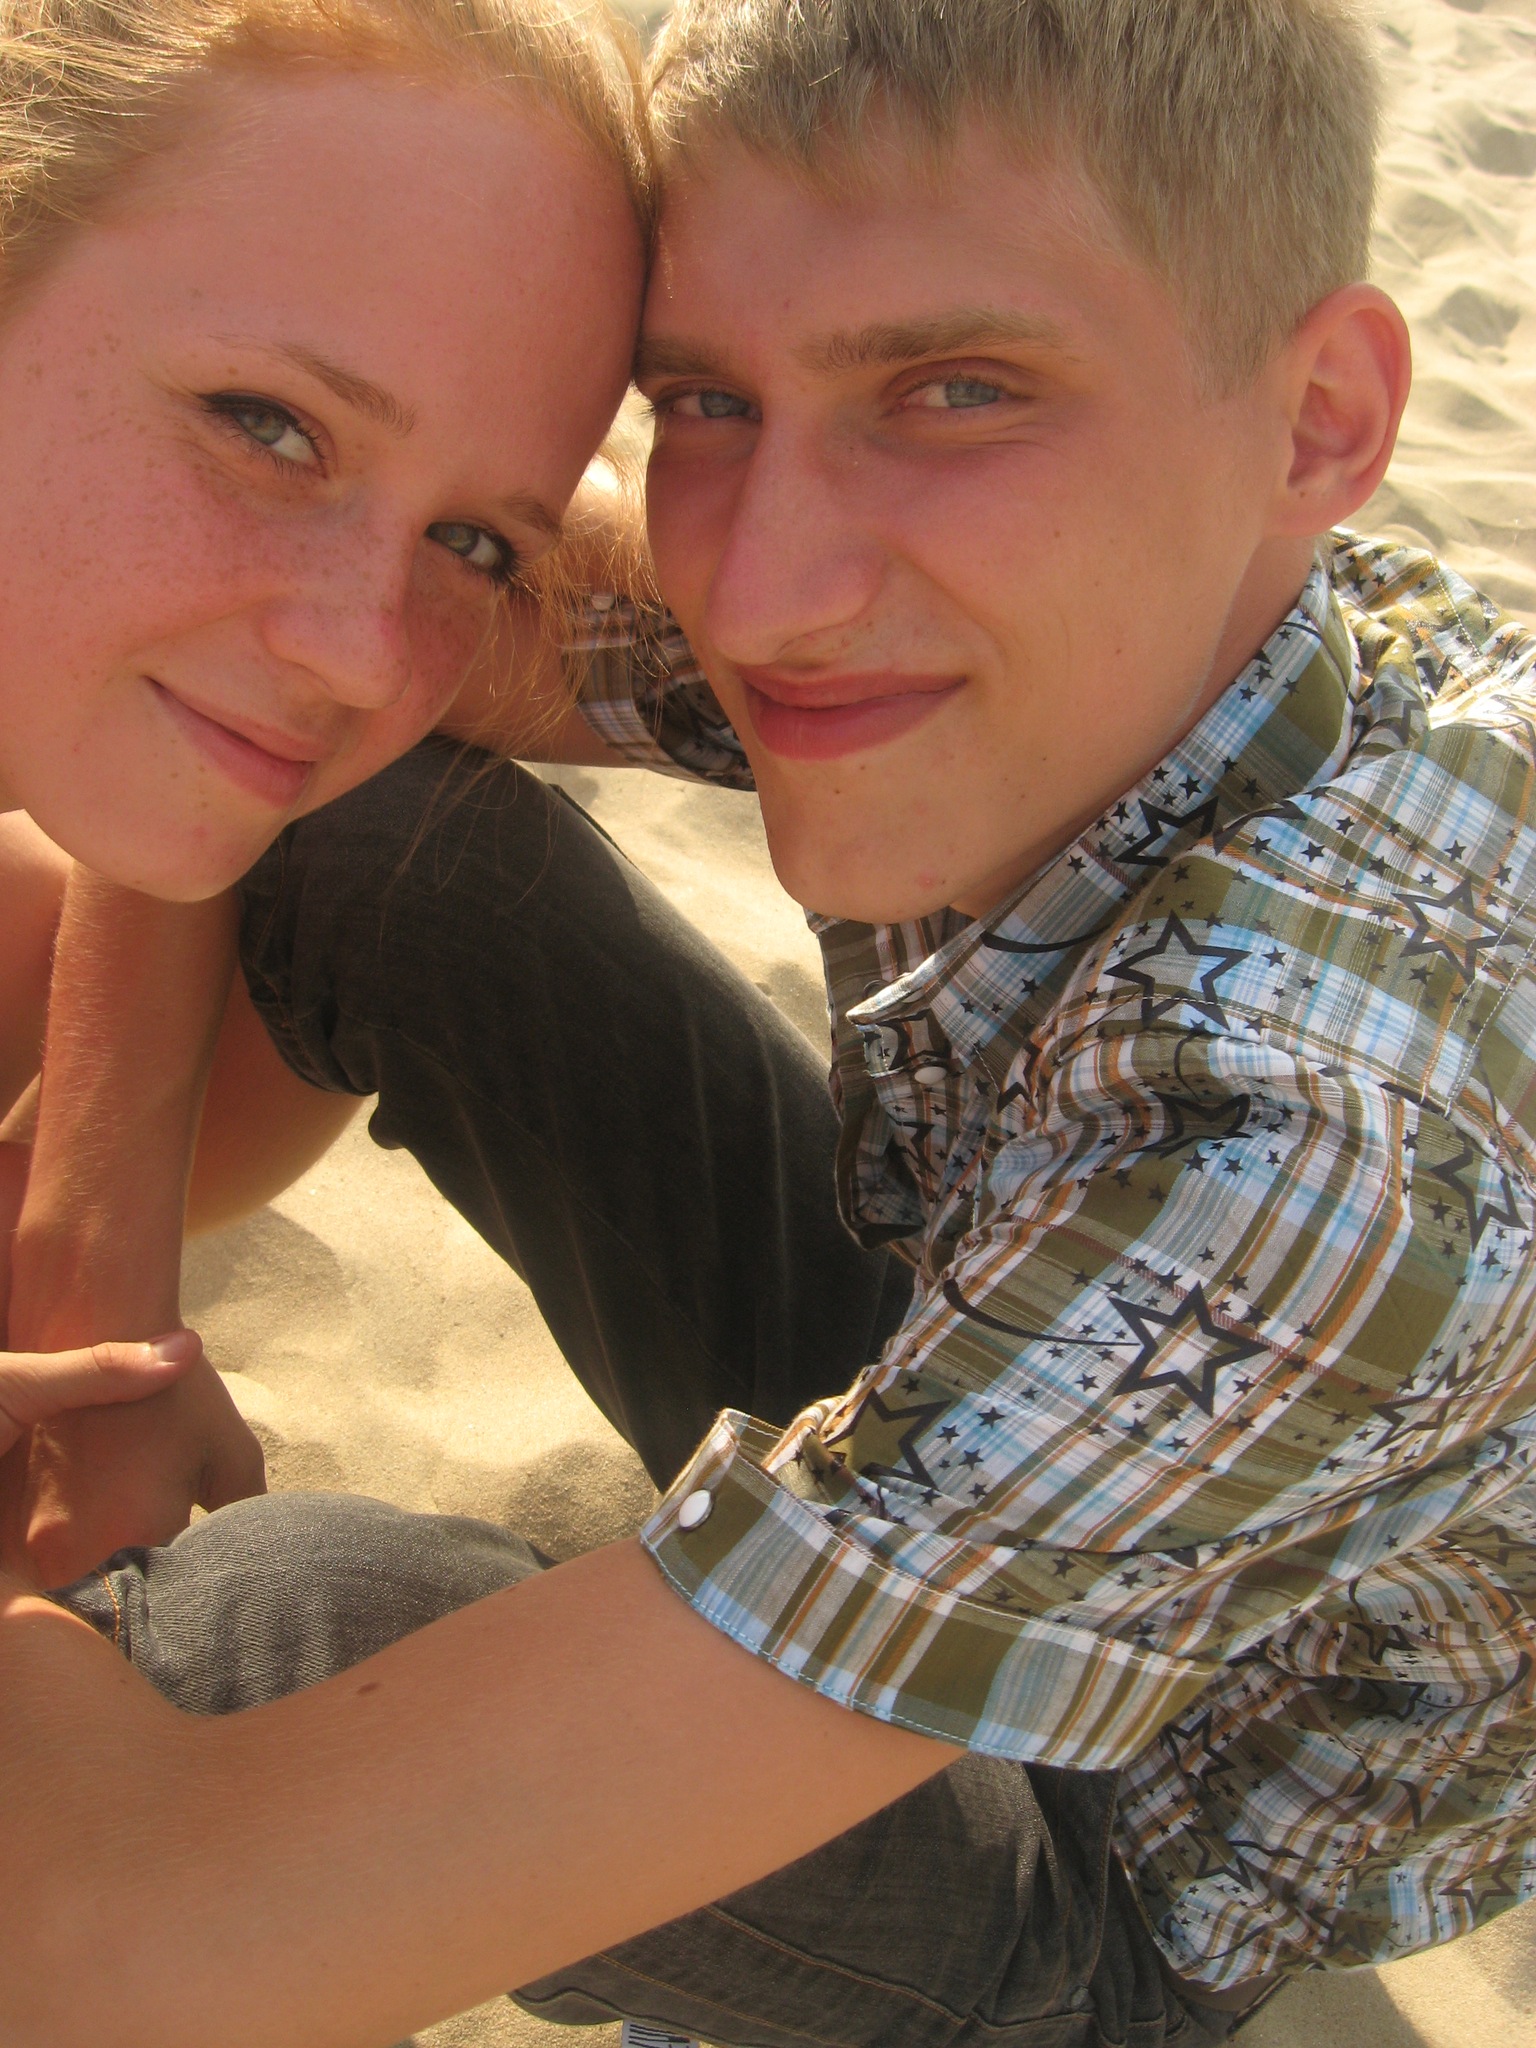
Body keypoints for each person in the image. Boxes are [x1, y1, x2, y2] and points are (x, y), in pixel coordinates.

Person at [9, 1, 1536, 2044]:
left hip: (1117, 1839)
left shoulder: (1315, 1154)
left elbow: (123, 1941)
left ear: (1319, 418)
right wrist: (93, 1302)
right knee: (361, 808)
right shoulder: (1140, 598)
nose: (759, 591)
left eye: (958, 388)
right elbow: (340, 682)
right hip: (968, 1358)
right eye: (705, 402)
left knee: (261, 1638)